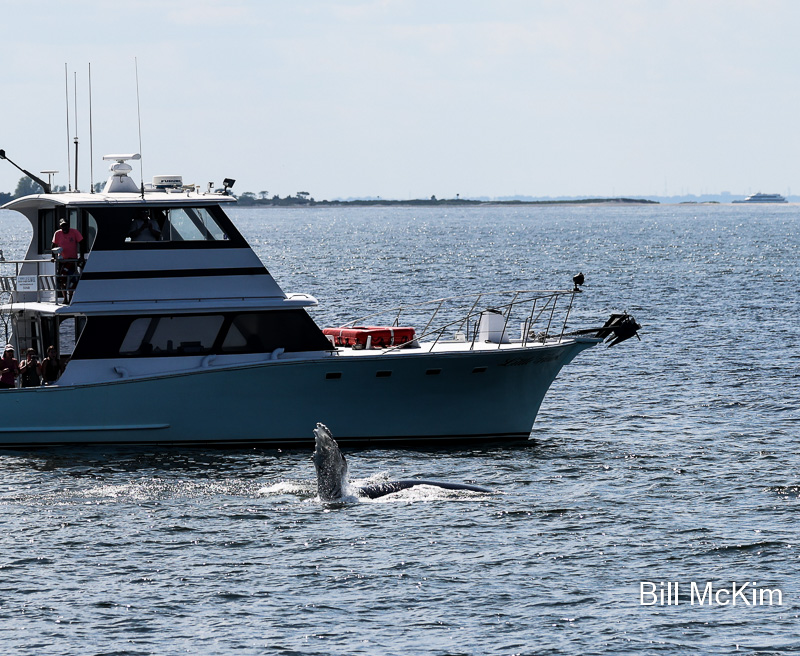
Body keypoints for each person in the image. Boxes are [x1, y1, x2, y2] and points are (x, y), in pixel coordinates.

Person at [52, 218, 84, 303]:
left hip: (72, 260)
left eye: (66, 225)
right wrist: (53, 257)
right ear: (60, 226)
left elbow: (81, 242)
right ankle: (65, 298)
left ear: (68, 225)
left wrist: (81, 256)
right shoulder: (57, 233)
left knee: (72, 279)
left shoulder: (74, 232)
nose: (64, 227)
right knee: (62, 279)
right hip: (62, 261)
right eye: (63, 226)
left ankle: (70, 298)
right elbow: (53, 245)